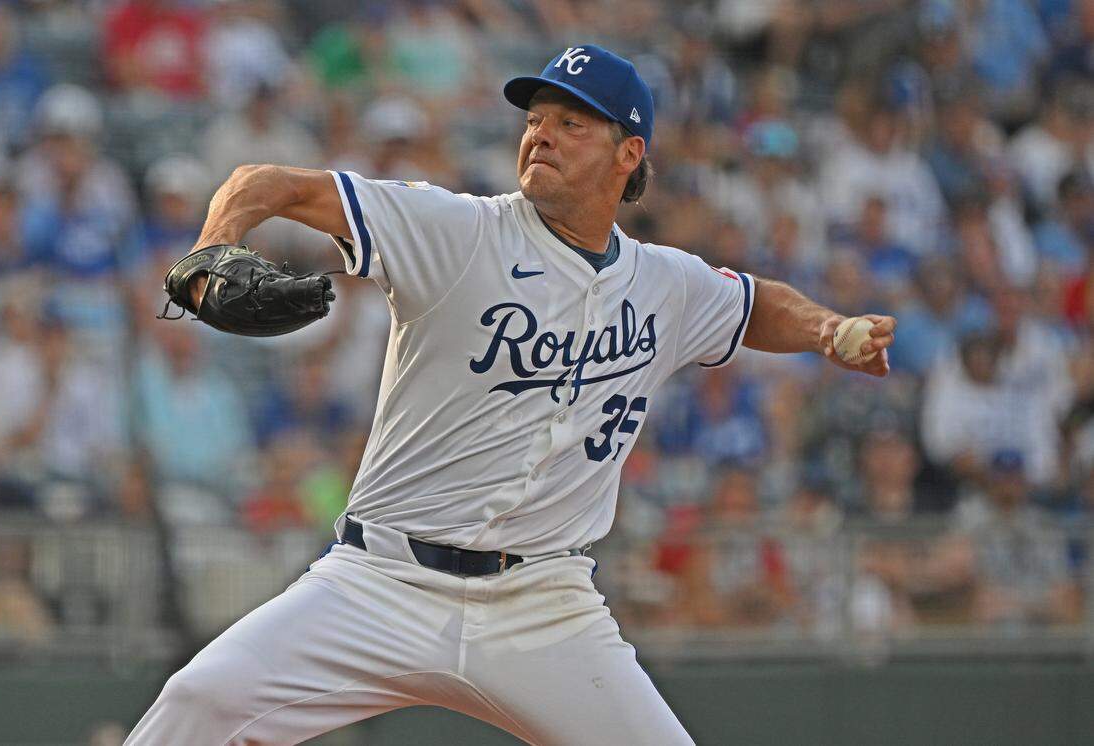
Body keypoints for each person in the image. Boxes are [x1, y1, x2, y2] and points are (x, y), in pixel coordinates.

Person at [128, 45, 896, 745]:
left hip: (543, 602)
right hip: (380, 583)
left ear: (630, 155)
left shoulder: (667, 283)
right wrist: (209, 250)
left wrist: (830, 331)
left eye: (572, 122)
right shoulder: (457, 231)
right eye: (536, 119)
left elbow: (753, 303)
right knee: (197, 705)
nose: (542, 134)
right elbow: (266, 183)